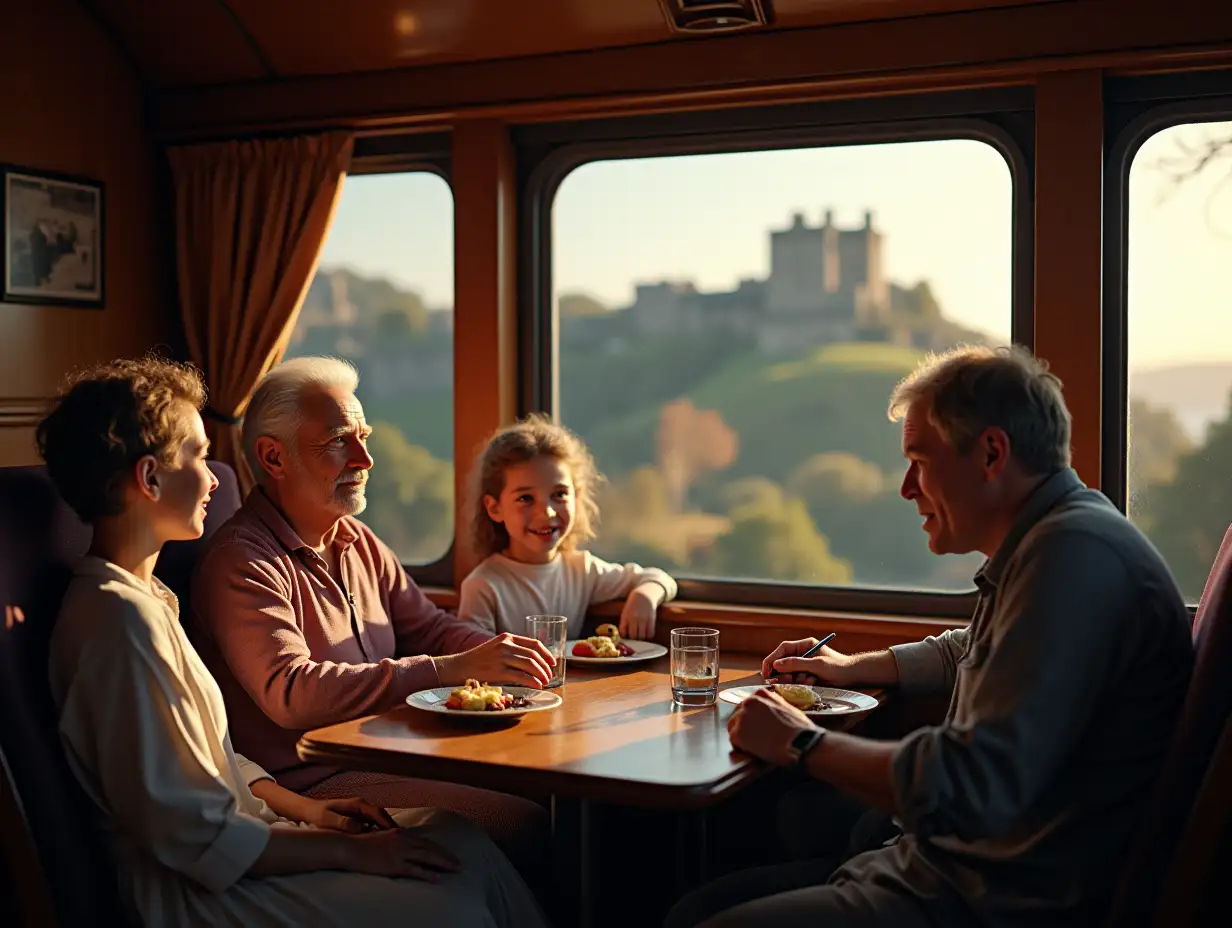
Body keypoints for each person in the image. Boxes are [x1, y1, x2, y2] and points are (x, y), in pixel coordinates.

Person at [667, 345, 1194, 928]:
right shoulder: (1058, 538)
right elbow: (972, 646)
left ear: (992, 453)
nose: (906, 488)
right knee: (730, 868)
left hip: (984, 895)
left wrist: (801, 744)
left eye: (919, 460)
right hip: (955, 864)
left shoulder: (1071, 560)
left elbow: (974, 784)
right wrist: (849, 668)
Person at [40, 356, 547, 927]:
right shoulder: (116, 623)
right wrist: (351, 850)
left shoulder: (148, 600)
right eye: (200, 456)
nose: (215, 478)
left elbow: (211, 760)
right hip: (199, 893)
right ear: (150, 478)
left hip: (244, 837)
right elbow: (193, 834)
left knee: (457, 838)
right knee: (450, 899)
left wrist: (311, 813)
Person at [190, 357, 552, 863]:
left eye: (364, 437)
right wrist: (449, 670)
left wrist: (507, 656)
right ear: (274, 458)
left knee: (553, 791)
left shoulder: (354, 538)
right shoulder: (241, 561)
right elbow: (290, 693)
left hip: (392, 751)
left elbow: (428, 627)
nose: (365, 458)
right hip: (317, 784)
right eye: (340, 440)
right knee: (526, 821)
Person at [458, 414, 677, 640]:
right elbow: (476, 660)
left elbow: (658, 578)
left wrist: (645, 595)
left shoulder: (581, 570)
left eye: (559, 495)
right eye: (525, 498)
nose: (547, 512)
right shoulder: (483, 586)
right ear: (494, 508)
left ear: (577, 497)